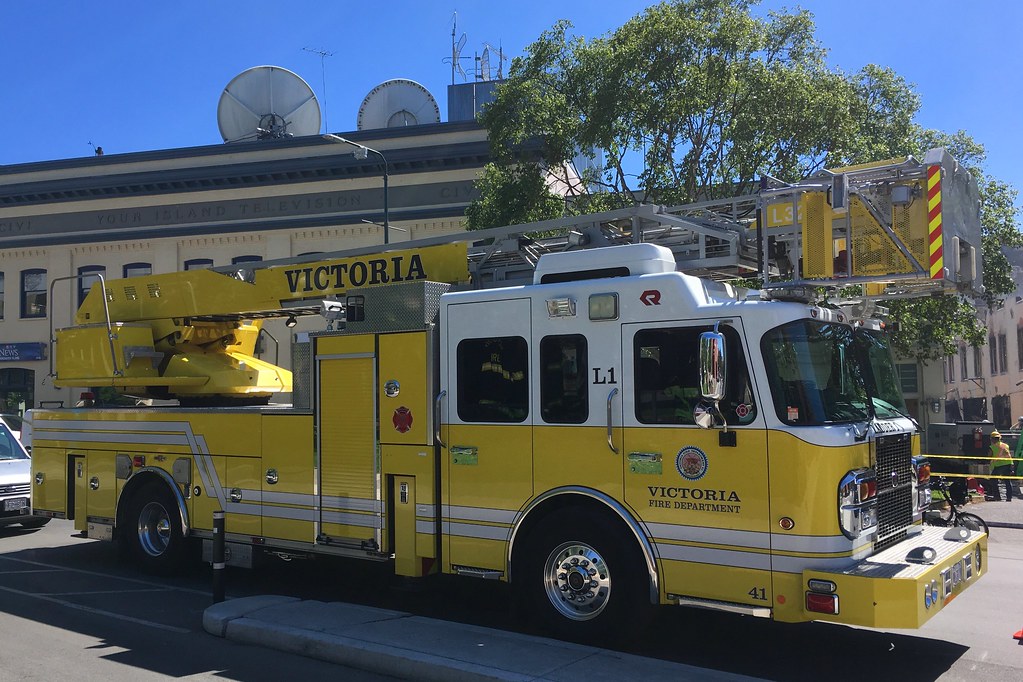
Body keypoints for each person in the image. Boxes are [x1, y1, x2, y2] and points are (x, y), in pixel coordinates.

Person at [988, 430, 1014, 502]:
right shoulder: (1006, 445)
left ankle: (997, 497)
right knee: (1007, 481)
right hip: (1008, 464)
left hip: (999, 465)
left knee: (993, 480)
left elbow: (989, 456)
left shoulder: (992, 447)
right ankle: (1009, 498)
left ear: (993, 439)